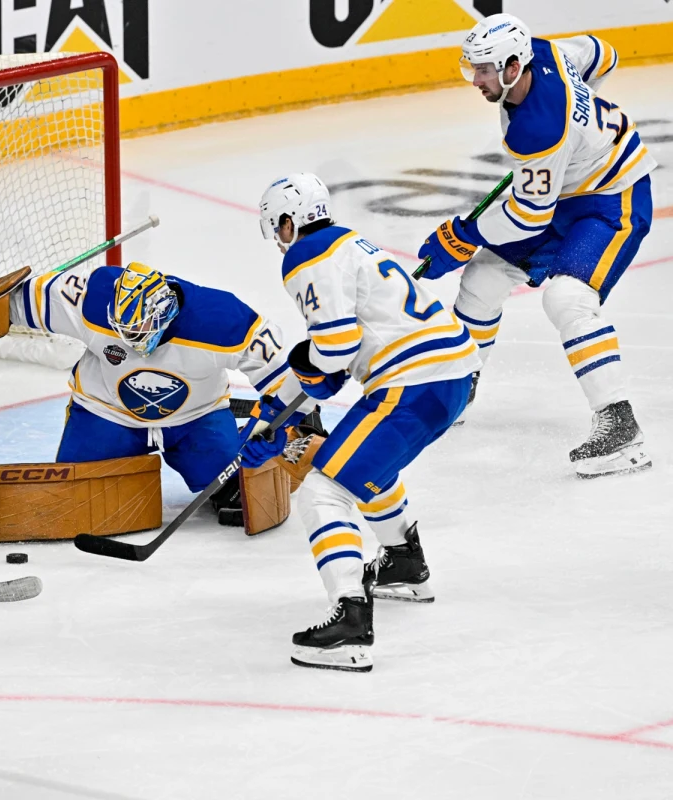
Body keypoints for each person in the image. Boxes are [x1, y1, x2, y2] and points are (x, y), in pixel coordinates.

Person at [249, 173, 479, 672]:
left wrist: (305, 381)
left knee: (323, 489)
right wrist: (275, 406)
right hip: (451, 376)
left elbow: (332, 350)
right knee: (366, 468)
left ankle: (351, 619)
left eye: (279, 229)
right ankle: (403, 564)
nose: (280, 241)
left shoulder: (305, 256)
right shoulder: (353, 244)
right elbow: (330, 361)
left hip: (414, 383)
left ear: (288, 223)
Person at [0, 261, 305, 549]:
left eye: (140, 336)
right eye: (124, 335)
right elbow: (23, 301)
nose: (134, 347)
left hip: (196, 416)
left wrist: (280, 421)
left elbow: (288, 382)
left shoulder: (226, 322)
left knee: (239, 488)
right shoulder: (90, 298)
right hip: (107, 412)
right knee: (73, 500)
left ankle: (305, 445)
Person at [416, 14, 656, 478]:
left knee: (568, 298)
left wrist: (463, 235)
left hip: (612, 199)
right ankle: (459, 388)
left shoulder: (537, 129)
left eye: (484, 70)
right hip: (568, 191)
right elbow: (603, 51)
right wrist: (584, 122)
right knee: (483, 277)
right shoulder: (545, 51)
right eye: (474, 68)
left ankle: (622, 426)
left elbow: (528, 216)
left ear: (512, 66)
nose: (476, 80)